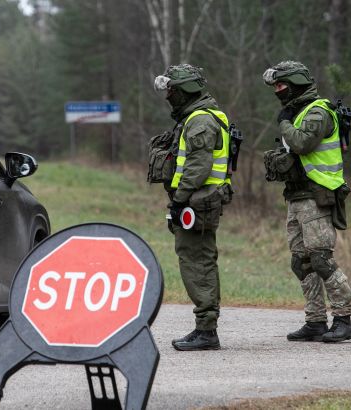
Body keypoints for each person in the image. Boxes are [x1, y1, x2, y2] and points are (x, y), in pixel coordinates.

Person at [262, 60, 351, 343]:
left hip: (318, 195)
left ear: (297, 83)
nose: (278, 90)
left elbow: (302, 143)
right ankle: (315, 321)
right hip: (297, 196)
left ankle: (343, 319)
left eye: (282, 85)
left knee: (321, 259)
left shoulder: (317, 112)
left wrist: (284, 122)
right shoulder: (299, 112)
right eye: (276, 86)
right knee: (301, 262)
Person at [152, 64, 232, 350]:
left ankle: (206, 330)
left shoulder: (200, 121)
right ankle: (205, 327)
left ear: (186, 90)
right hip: (198, 200)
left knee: (196, 261)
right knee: (200, 259)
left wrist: (179, 200)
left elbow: (198, 167)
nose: (168, 97)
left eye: (172, 91)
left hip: (196, 202)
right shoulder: (197, 118)